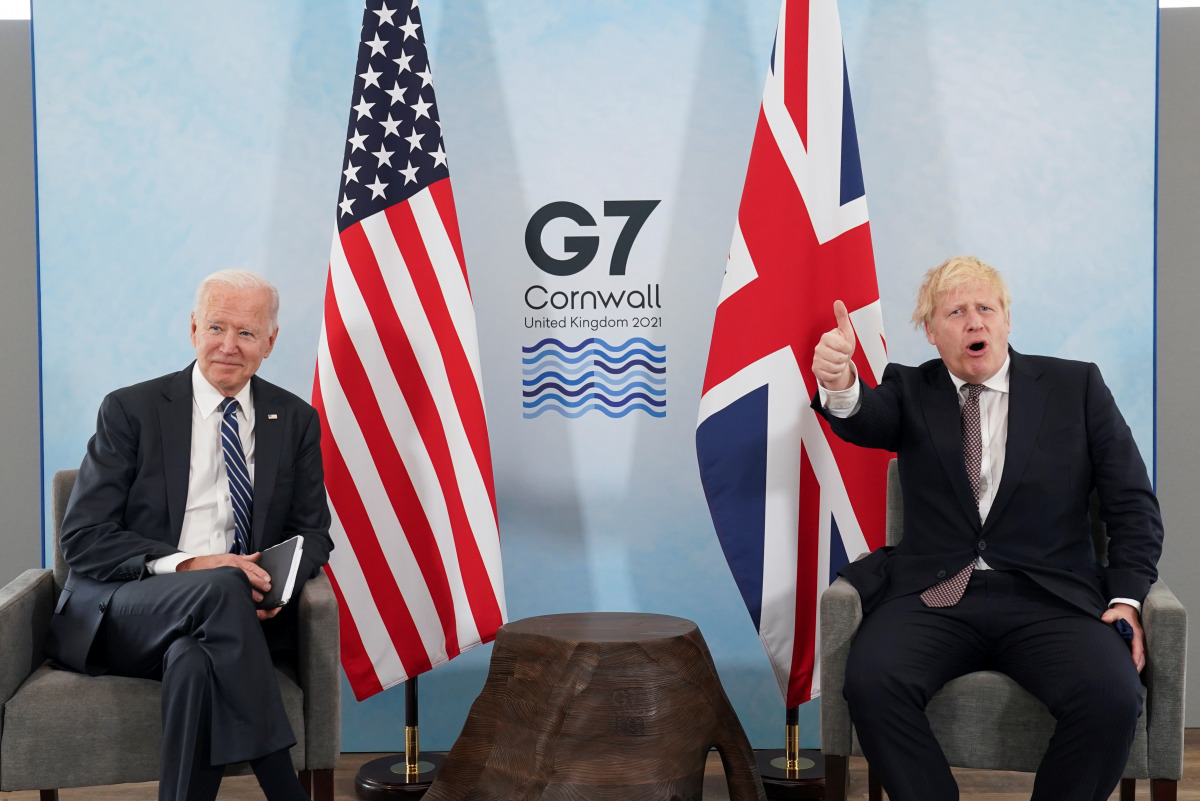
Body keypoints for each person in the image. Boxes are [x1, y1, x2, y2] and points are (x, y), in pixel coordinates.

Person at [810, 256, 1162, 801]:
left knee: (1112, 695)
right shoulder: (910, 388)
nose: (974, 322)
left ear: (1005, 320)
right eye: (955, 312)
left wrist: (1126, 598)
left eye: (985, 308)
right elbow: (864, 416)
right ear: (931, 332)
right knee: (871, 682)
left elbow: (1132, 504)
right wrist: (841, 383)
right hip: (935, 594)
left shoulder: (1076, 386)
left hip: (1050, 596)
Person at [44, 270, 334, 801]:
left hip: (232, 620)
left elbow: (314, 533)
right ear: (193, 328)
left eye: (246, 333)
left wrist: (274, 587)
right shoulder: (131, 410)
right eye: (217, 327)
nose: (228, 346)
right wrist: (193, 565)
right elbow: (83, 539)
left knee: (195, 663)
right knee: (222, 582)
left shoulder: (293, 419)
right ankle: (284, 790)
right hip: (126, 611)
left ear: (270, 342)